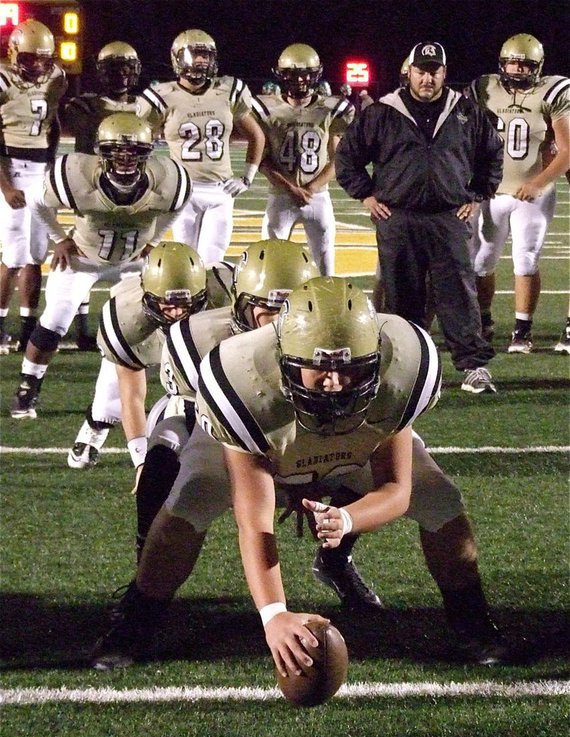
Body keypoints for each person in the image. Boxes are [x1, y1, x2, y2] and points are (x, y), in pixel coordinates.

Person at [91, 276, 511, 670]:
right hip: (271, 436)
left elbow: (397, 489)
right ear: (284, 358)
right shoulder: (242, 381)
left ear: (378, 358)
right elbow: (253, 518)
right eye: (320, 367)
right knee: (190, 498)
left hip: (357, 438)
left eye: (351, 368)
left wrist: (348, 518)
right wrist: (274, 614)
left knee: (440, 499)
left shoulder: (402, 369)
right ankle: (136, 623)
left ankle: (471, 622)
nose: (335, 383)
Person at [89, 238, 322, 669]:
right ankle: (141, 606)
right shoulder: (197, 337)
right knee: (187, 490)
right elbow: (199, 413)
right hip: (218, 416)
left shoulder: (336, 328)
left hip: (320, 423)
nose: (278, 323)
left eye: (292, 308)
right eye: (267, 308)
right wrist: (140, 454)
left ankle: (339, 562)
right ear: (238, 300)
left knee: (414, 484)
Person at [335, 41, 503, 395]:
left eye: (434, 70)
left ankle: (473, 366)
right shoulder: (382, 112)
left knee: (459, 293)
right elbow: (347, 158)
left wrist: (478, 194)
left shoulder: (467, 111)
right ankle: (403, 366)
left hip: (448, 217)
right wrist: (365, 195)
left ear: (444, 73)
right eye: (422, 70)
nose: (428, 77)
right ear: (408, 71)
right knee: (400, 296)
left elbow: (492, 155)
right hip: (399, 217)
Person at [9, 112, 191, 419]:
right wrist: (59, 240)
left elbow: (178, 205)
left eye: (134, 152)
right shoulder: (76, 174)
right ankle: (29, 384)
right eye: (115, 151)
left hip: (131, 264)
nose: (124, 159)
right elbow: (39, 204)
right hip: (83, 259)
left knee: (138, 330)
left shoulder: (169, 180)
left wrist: (154, 239)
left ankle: (121, 402)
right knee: (54, 320)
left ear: (147, 153)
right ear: (100, 152)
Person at [67, 241, 211, 475]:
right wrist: (141, 460)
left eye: (186, 303)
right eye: (169, 304)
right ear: (149, 296)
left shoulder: (221, 296)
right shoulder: (124, 317)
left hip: (198, 333)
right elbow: (132, 396)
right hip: (144, 329)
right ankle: (95, 426)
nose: (177, 313)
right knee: (110, 398)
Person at [469, 34, 570, 352]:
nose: (517, 70)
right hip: (492, 192)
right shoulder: (484, 89)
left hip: (532, 193)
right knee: (481, 262)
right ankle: (484, 321)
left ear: (537, 67)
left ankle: (521, 332)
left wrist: (539, 182)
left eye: (525, 65)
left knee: (525, 260)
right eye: (512, 63)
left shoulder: (551, 92)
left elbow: (567, 150)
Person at [136, 29, 265, 263]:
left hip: (221, 189)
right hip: (184, 190)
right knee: (185, 262)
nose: (202, 60)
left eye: (206, 55)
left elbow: (257, 135)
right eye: (196, 54)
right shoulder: (162, 95)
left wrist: (247, 177)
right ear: (178, 57)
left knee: (211, 263)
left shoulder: (227, 90)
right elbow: (140, 141)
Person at [60, 40, 143, 351]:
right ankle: (83, 329)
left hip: (130, 189)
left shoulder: (145, 106)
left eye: (126, 67)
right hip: (91, 188)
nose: (121, 74)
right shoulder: (85, 106)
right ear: (101, 72)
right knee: (86, 252)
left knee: (127, 255)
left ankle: (117, 327)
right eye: (114, 68)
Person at [252, 43, 354, 276]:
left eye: (305, 74)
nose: (299, 80)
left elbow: (338, 158)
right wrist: (290, 188)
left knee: (325, 267)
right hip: (281, 196)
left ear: (315, 74)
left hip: (317, 197)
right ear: (281, 75)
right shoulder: (268, 108)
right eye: (292, 74)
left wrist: (310, 188)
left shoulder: (330, 108)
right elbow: (262, 158)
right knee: (269, 266)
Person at [0, 19, 67, 356]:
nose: (38, 65)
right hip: (11, 167)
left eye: (43, 58)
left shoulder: (56, 78)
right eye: (30, 58)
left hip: (40, 170)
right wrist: (6, 185)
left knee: (35, 256)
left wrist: (52, 163)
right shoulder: (2, 79)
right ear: (15, 53)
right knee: (11, 255)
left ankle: (28, 326)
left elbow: (53, 124)